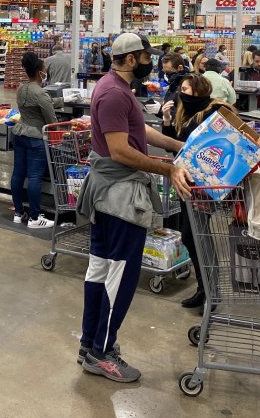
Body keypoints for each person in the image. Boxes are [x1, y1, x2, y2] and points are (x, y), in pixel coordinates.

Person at [76, 32, 191, 383]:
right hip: (118, 197)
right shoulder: (113, 93)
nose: (149, 63)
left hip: (110, 194)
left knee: (100, 269)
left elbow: (137, 129)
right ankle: (102, 351)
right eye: (144, 57)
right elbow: (121, 151)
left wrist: (175, 145)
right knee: (118, 276)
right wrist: (169, 168)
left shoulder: (116, 87)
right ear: (130, 59)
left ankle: (89, 343)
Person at [159, 73, 234, 311]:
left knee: (196, 235)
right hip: (187, 182)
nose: (182, 93)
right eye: (181, 88)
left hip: (205, 186)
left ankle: (211, 292)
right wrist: (167, 119)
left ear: (200, 92)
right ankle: (205, 289)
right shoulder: (186, 113)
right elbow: (173, 146)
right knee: (193, 235)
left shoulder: (214, 113)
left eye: (187, 89)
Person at [11, 52, 65, 229]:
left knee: (18, 174)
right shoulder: (40, 93)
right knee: (35, 177)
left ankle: (18, 213)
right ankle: (35, 218)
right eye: (45, 71)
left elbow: (45, 101)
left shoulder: (21, 89)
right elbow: (51, 121)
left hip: (19, 134)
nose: (46, 73)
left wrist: (65, 100)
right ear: (39, 73)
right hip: (35, 138)